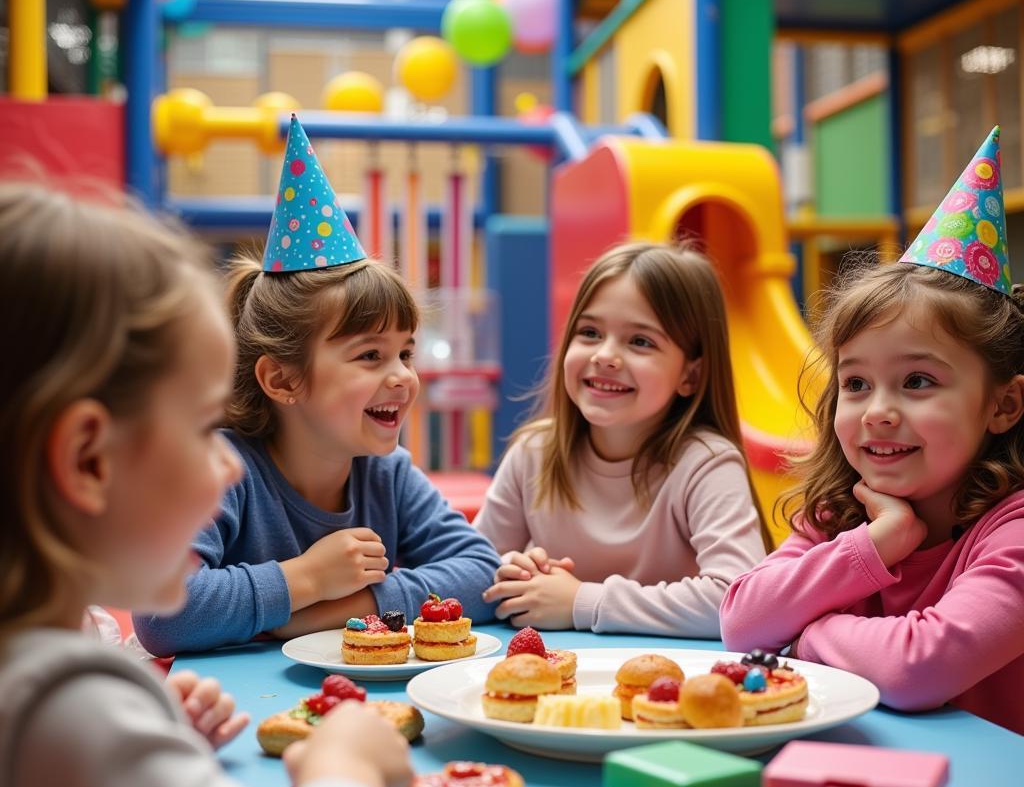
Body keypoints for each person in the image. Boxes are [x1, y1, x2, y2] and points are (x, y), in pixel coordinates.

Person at [0, 181, 413, 787]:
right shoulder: (56, 711)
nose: (227, 464)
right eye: (200, 430)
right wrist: (344, 768)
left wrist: (148, 740)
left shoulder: (55, 676)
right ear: (89, 460)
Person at [134, 118, 499, 656]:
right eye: (369, 356)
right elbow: (163, 612)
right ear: (282, 379)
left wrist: (339, 611)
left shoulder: (386, 473)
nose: (401, 375)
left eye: (405, 352)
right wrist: (306, 579)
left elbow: (482, 572)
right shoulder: (224, 470)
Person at [720, 127, 1024, 735]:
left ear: (1004, 404)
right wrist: (879, 541)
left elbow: (921, 668)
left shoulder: (1011, 532)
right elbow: (742, 622)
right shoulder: (848, 515)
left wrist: (807, 632)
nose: (877, 410)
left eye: (917, 382)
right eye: (856, 384)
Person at [474, 240, 770, 636]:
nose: (606, 356)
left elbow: (740, 601)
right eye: (590, 332)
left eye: (640, 341)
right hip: (555, 679)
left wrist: (581, 602)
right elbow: (470, 570)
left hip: (669, 682)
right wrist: (512, 571)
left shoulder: (705, 462)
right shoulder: (535, 453)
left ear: (690, 376)